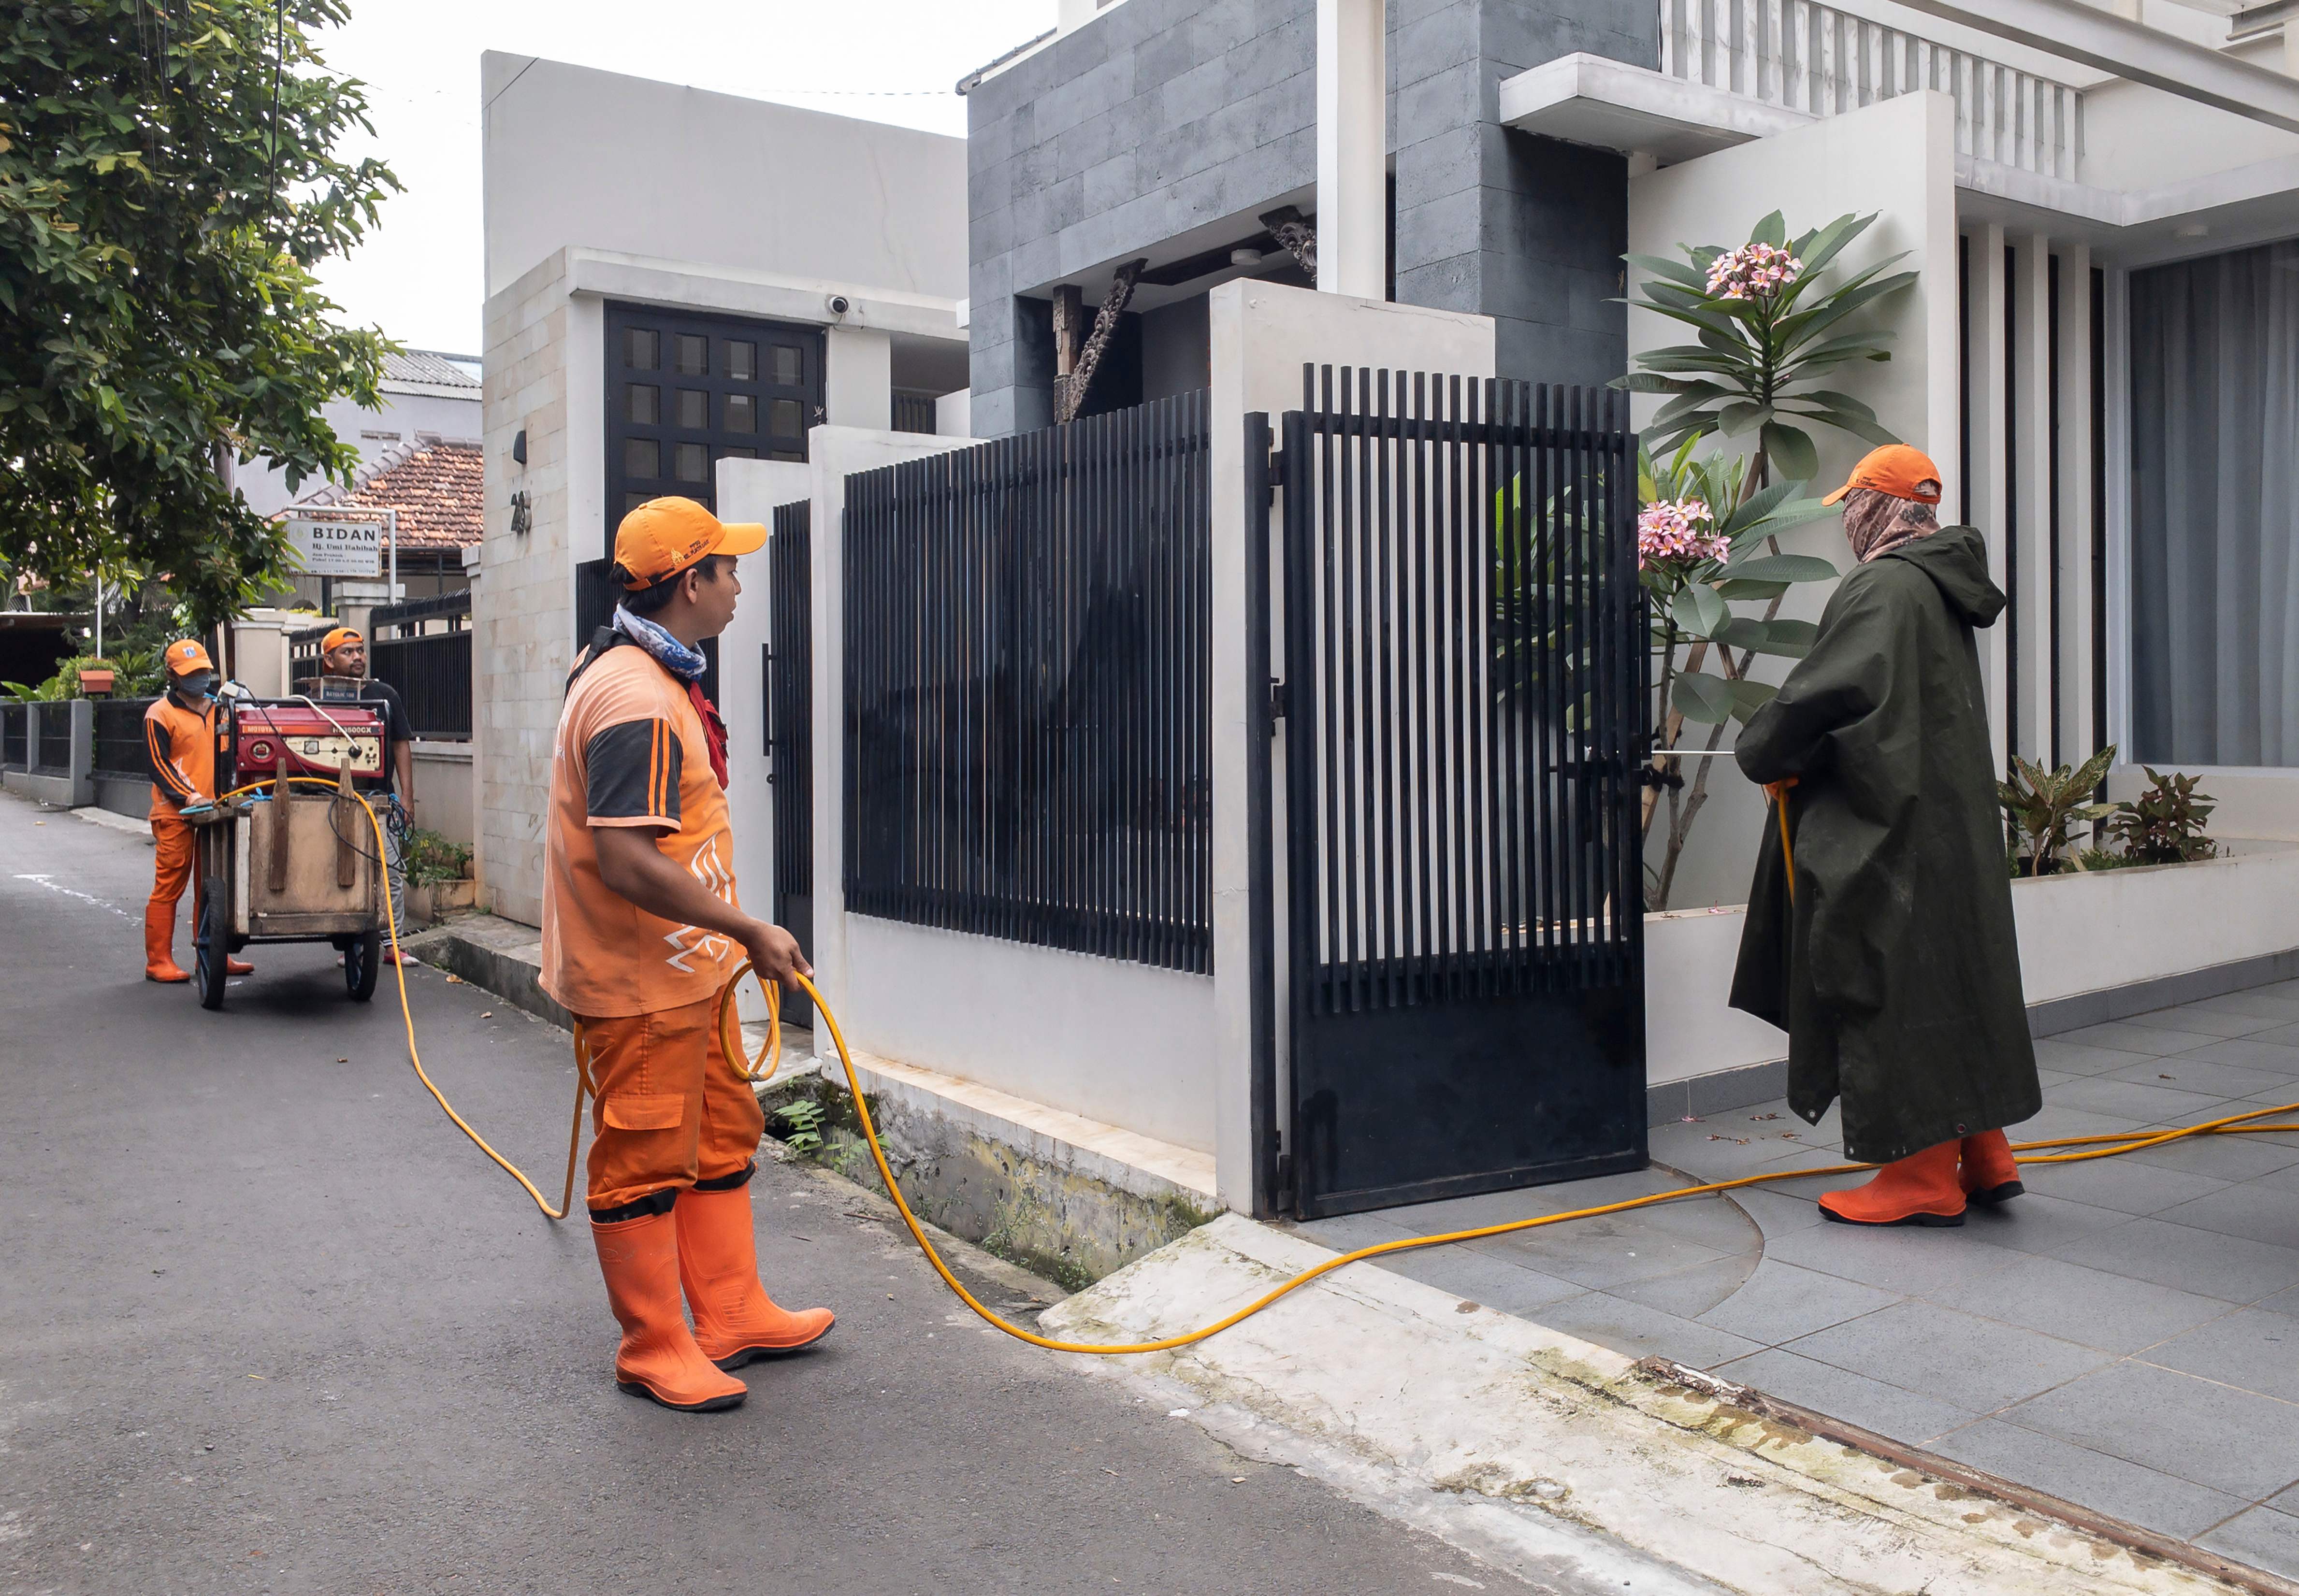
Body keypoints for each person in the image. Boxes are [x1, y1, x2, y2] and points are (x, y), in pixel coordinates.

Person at [541, 494, 829, 1412]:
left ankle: (732, 1310)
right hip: (637, 980)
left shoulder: (651, 673)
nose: (741, 584)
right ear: (689, 583)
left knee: (717, 1135)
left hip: (684, 969)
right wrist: (751, 929)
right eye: (728, 568)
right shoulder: (634, 697)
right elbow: (627, 858)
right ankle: (655, 1345)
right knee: (644, 1156)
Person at [1729, 445, 2041, 1227]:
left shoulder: (1881, 586)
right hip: (1947, 820)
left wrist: (1760, 749)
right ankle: (1984, 1150)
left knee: (1883, 977)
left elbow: (1820, 694)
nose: (1845, 520)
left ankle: (1919, 1174)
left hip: (1887, 822)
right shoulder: (1938, 586)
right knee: (1951, 975)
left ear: (1877, 506)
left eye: (1851, 504)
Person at [143, 639, 253, 983]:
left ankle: (212, 952)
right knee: (170, 884)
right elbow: (158, 765)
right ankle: (158, 960)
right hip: (175, 814)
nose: (200, 678)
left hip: (216, 810)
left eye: (204, 671)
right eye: (192, 673)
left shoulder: (222, 709)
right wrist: (186, 797)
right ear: (173, 675)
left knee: (213, 885)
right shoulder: (159, 713)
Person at [316, 626, 416, 961]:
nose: (358, 657)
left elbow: (401, 743)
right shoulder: (319, 698)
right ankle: (352, 946)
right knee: (343, 871)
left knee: (389, 870)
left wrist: (406, 796)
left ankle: (392, 945)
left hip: (380, 799)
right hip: (333, 800)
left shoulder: (385, 695)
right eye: (348, 652)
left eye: (360, 650)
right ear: (328, 660)